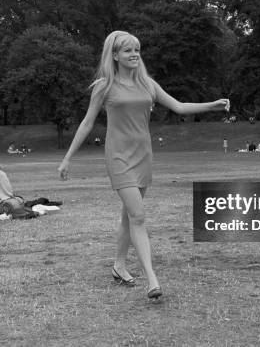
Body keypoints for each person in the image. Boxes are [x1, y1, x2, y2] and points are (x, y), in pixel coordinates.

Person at [57, 31, 230, 300]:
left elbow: (180, 107)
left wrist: (212, 106)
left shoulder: (148, 84)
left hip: (143, 156)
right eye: (128, 50)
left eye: (137, 49)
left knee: (129, 215)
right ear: (114, 55)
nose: (135, 54)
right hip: (118, 156)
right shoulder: (104, 86)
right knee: (138, 215)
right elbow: (87, 122)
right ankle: (152, 279)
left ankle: (119, 265)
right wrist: (68, 158)